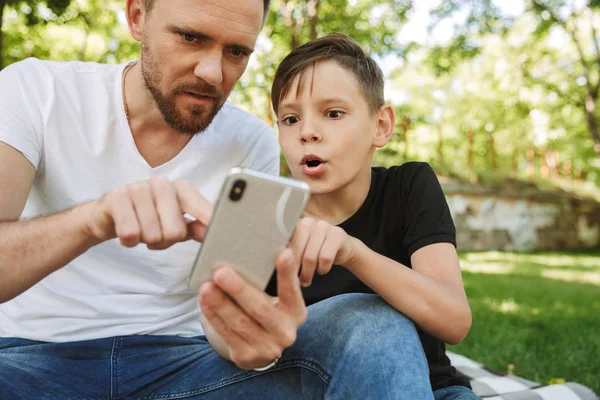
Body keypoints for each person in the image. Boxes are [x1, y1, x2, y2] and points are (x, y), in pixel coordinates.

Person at [0, 0, 434, 399]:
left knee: (375, 324)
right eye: (191, 37)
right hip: (25, 363)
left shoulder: (253, 144)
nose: (212, 71)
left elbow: (225, 312)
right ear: (136, 17)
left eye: (237, 52)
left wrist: (251, 345)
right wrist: (92, 221)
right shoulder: (35, 91)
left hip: (186, 370)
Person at [267, 33, 482, 400]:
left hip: (434, 390)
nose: (307, 132)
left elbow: (454, 320)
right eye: (290, 118)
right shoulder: (268, 213)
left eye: (333, 113)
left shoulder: (408, 186)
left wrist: (354, 253)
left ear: (380, 125)